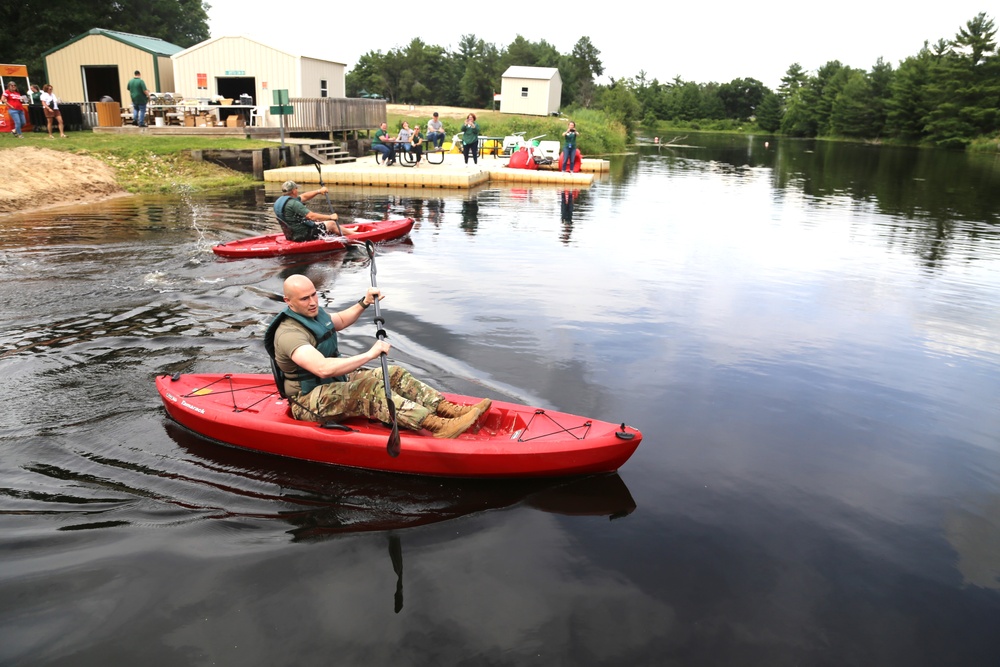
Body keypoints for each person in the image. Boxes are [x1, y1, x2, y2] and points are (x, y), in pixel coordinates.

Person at [266, 274, 491, 438]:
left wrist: (364, 302)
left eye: (314, 294)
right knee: (370, 388)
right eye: (305, 298)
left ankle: (447, 410)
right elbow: (323, 368)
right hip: (307, 402)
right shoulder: (289, 334)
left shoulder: (313, 312)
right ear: (288, 301)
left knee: (393, 373)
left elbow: (341, 321)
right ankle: (436, 425)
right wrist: (369, 354)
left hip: (331, 383)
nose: (313, 301)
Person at [273, 180, 358, 242]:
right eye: (296, 189)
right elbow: (312, 216)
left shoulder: (280, 201)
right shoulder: (294, 204)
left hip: (292, 234)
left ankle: (350, 231)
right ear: (294, 191)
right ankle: (357, 236)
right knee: (331, 223)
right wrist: (330, 217)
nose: (297, 191)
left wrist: (319, 191)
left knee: (321, 223)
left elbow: (304, 197)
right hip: (303, 235)